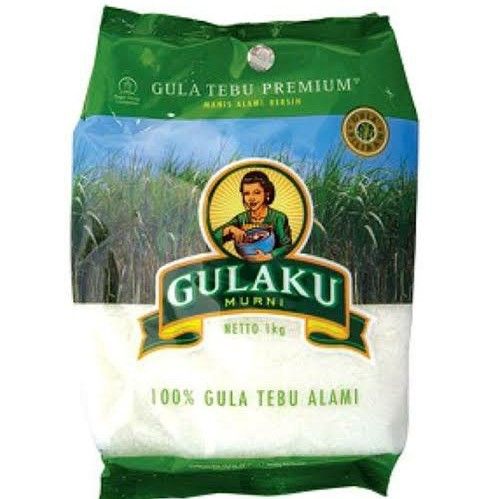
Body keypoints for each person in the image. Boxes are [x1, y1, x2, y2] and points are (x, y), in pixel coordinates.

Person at [213, 170, 292, 261]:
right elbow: (213, 239)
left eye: (257, 192)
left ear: (267, 193)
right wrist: (229, 229)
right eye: (247, 194)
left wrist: (269, 256)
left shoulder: (279, 218)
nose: (251, 198)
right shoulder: (241, 218)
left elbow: (287, 247)